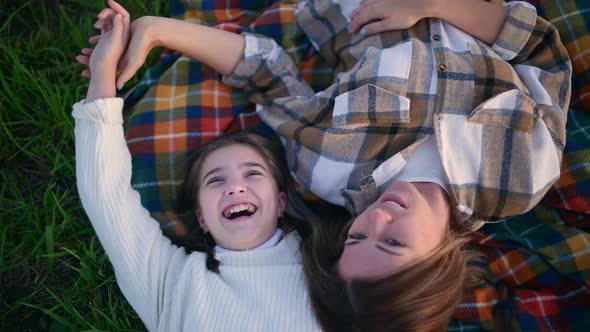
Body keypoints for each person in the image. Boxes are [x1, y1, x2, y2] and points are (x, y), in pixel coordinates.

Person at [77, 0, 571, 330]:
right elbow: (541, 54)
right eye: (393, 242)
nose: (375, 218)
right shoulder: (519, 179)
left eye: (356, 237)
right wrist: (436, 4)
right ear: (442, 259)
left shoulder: (327, 170)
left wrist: (158, 31)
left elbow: (269, 78)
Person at [73, 4, 326, 330]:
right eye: (215, 181)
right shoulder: (170, 279)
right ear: (202, 217)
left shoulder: (337, 262)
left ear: (280, 202)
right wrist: (103, 71)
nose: (236, 187)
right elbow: (107, 196)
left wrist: (105, 75)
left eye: (252, 173)